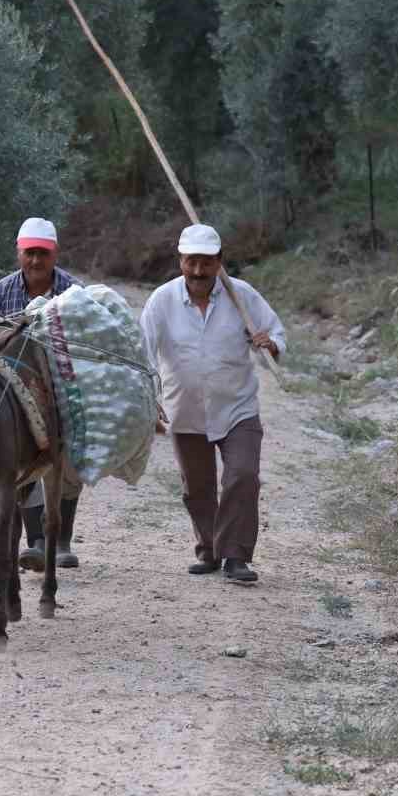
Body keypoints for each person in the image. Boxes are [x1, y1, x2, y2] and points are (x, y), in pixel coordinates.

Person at [140, 223, 286, 585]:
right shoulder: (162, 300)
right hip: (185, 410)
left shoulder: (244, 296)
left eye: (207, 263)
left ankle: (235, 556)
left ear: (220, 262)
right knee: (198, 488)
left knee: (243, 475)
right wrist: (148, 396)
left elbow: (276, 333)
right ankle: (209, 549)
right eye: (191, 262)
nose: (198, 271)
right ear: (180, 262)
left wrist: (269, 344)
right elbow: (142, 350)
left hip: (237, 407)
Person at [0, 217, 85, 571]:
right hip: (15, 390)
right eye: (29, 253)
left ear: (55, 254)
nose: (35, 261)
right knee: (20, 459)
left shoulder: (73, 292)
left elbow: (88, 340)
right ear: (18, 253)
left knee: (68, 465)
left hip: (61, 385)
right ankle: (36, 540)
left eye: (42, 254)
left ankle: (61, 539)